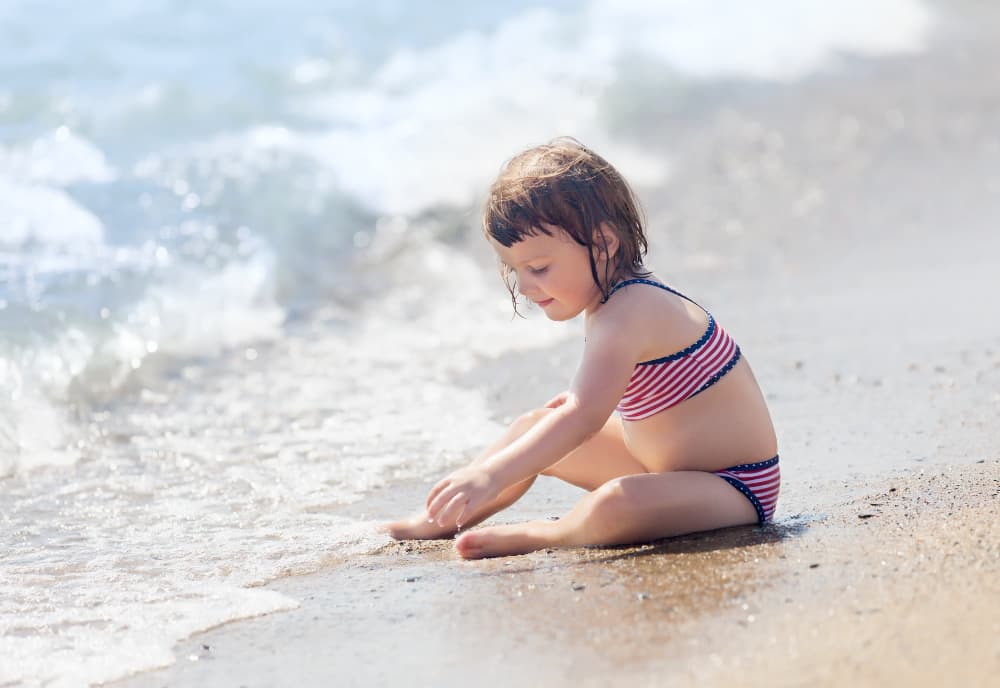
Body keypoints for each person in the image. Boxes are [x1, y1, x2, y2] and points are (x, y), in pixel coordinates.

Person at [383, 138, 779, 560]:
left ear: (603, 243)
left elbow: (583, 416)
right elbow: (634, 401)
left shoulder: (629, 309)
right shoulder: (614, 303)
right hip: (662, 470)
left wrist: (491, 474)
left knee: (616, 502)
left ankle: (550, 534)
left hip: (732, 487)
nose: (525, 286)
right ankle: (442, 517)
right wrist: (578, 413)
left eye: (538, 268)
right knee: (532, 427)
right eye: (515, 270)